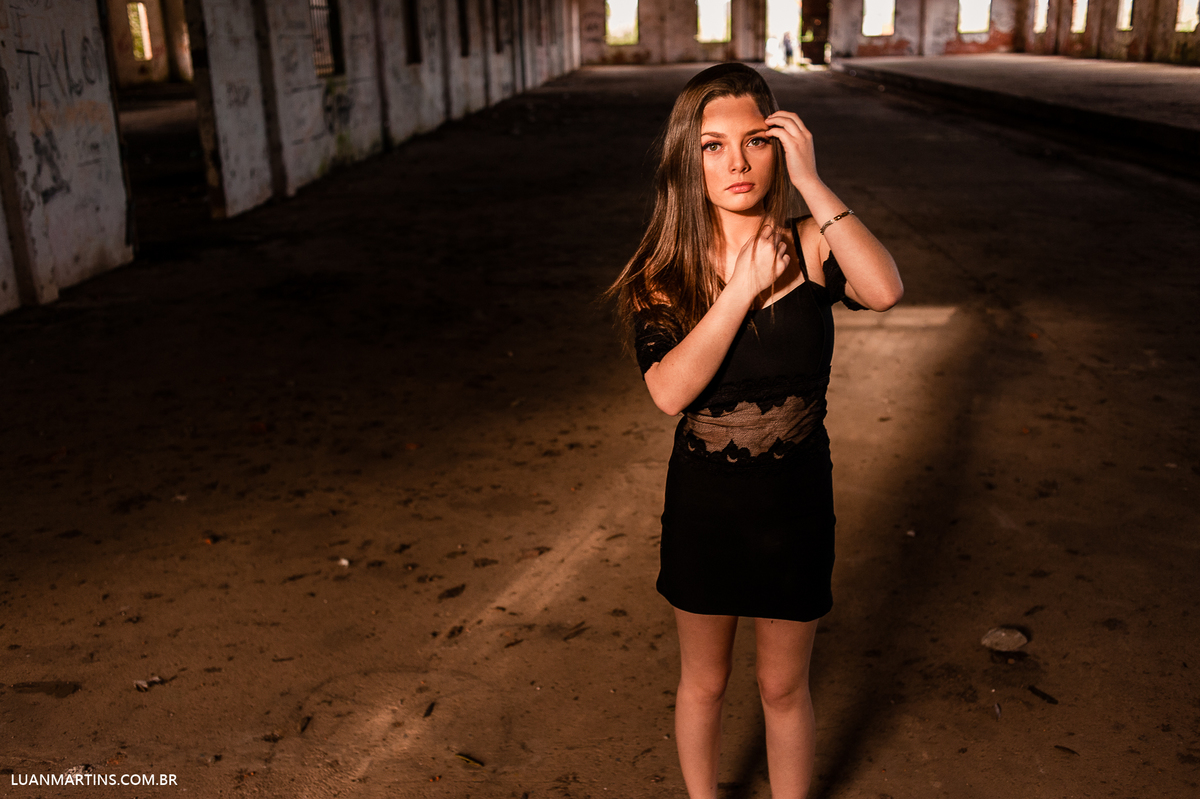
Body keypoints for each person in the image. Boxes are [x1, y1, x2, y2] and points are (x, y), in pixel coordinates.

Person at [607, 63, 902, 799]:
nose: (736, 162)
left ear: (779, 147)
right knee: (705, 682)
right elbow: (668, 392)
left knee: (782, 686)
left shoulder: (812, 246)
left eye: (756, 141)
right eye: (713, 145)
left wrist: (813, 183)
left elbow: (885, 289)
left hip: (796, 507)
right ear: (688, 158)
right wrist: (741, 287)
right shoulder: (663, 273)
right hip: (706, 510)